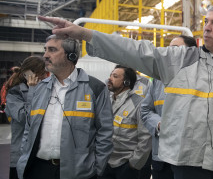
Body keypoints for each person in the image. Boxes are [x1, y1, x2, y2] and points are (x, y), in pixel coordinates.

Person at [39, 4, 213, 179]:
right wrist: (84, 33)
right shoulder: (181, 60)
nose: (207, 28)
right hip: (187, 163)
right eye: (206, 22)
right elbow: (134, 50)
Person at [16, 35, 113, 179]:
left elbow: (105, 133)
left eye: (52, 50)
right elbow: (29, 129)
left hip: (78, 173)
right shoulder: (40, 88)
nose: (45, 55)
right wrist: (23, 157)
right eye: (45, 50)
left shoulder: (95, 88)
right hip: (38, 169)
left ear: (71, 55)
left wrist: (96, 168)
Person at [140, 35, 197, 179]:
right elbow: (145, 109)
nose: (170, 53)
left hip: (189, 158)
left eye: (175, 49)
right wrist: (159, 124)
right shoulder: (158, 80)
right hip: (161, 157)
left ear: (190, 52)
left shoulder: (200, 79)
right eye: (169, 49)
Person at [102, 65, 151, 179]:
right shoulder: (105, 101)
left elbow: (145, 137)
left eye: (115, 76)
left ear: (126, 82)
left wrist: (134, 163)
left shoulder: (139, 104)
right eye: (110, 75)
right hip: (105, 162)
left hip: (126, 165)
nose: (110, 78)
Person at [4, 57, 48, 179]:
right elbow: (25, 118)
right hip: (21, 156)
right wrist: (32, 90)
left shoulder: (43, 91)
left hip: (39, 155)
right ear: (29, 74)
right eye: (42, 73)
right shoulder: (14, 94)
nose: (45, 77)